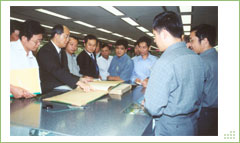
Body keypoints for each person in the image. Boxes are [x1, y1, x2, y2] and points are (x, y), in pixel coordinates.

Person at [144, 11, 205, 136]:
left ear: (164, 34)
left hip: (170, 128)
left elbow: (153, 107)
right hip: (192, 124)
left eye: (155, 35)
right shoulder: (196, 58)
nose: (155, 40)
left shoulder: (164, 62)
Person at [37, 24, 91, 93]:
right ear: (56, 35)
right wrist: (78, 83)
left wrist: (80, 79)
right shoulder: (46, 51)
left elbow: (65, 72)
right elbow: (56, 70)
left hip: (61, 85)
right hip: (50, 89)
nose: (68, 40)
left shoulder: (62, 52)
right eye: (66, 36)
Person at [190, 24, 218, 136]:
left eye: (192, 40)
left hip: (204, 113)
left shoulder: (200, 62)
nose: (191, 44)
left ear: (205, 41)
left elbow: (192, 91)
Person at [10, 20, 44, 98]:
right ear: (24, 38)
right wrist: (11, 88)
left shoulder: (32, 58)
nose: (38, 44)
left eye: (40, 41)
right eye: (36, 42)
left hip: (28, 100)